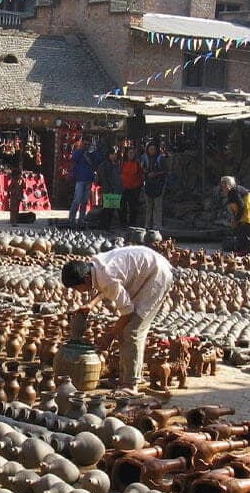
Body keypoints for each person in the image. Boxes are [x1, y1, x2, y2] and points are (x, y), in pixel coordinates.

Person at [61, 246, 174, 397]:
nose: (77, 291)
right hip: (147, 271)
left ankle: (130, 385)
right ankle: (131, 377)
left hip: (157, 275)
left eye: (76, 287)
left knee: (131, 331)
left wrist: (109, 337)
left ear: (86, 279)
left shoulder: (106, 276)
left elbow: (127, 312)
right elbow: (106, 286)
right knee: (127, 329)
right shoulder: (95, 266)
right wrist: (90, 305)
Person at [220, 176, 250, 255]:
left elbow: (241, 206)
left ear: (229, 185)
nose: (223, 188)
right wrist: (234, 217)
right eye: (222, 186)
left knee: (243, 232)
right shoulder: (232, 192)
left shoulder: (234, 192)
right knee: (240, 233)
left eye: (224, 186)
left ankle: (248, 252)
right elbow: (235, 206)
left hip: (246, 212)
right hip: (243, 212)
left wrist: (236, 219)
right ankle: (247, 251)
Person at [68, 138, 95, 227]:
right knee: (77, 199)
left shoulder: (92, 153)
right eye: (85, 144)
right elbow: (74, 159)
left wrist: (91, 152)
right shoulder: (79, 152)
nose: (87, 146)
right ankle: (72, 219)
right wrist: (81, 151)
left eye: (88, 145)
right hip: (80, 179)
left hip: (88, 179)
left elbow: (96, 161)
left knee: (85, 201)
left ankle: (81, 219)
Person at [141, 141, 166, 229]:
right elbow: (142, 169)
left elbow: (165, 171)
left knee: (157, 206)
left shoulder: (161, 159)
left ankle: (157, 225)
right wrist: (145, 172)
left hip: (158, 184)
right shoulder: (145, 158)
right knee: (149, 206)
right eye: (150, 149)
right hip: (148, 184)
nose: (152, 151)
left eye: (154, 149)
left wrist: (155, 174)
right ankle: (147, 224)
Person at [97, 149, 125, 228]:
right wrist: (108, 188)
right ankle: (104, 225)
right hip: (108, 190)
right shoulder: (104, 165)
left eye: (115, 154)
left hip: (115, 189)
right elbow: (103, 178)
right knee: (107, 209)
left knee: (111, 209)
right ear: (108, 155)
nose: (114, 156)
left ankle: (107, 225)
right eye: (112, 154)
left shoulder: (115, 164)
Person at [120, 147, 143, 227]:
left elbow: (140, 175)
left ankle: (132, 223)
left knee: (133, 206)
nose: (132, 154)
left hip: (135, 187)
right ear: (127, 154)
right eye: (130, 153)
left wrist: (139, 186)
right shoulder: (122, 163)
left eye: (133, 153)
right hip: (124, 187)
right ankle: (123, 222)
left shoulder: (137, 163)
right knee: (122, 206)